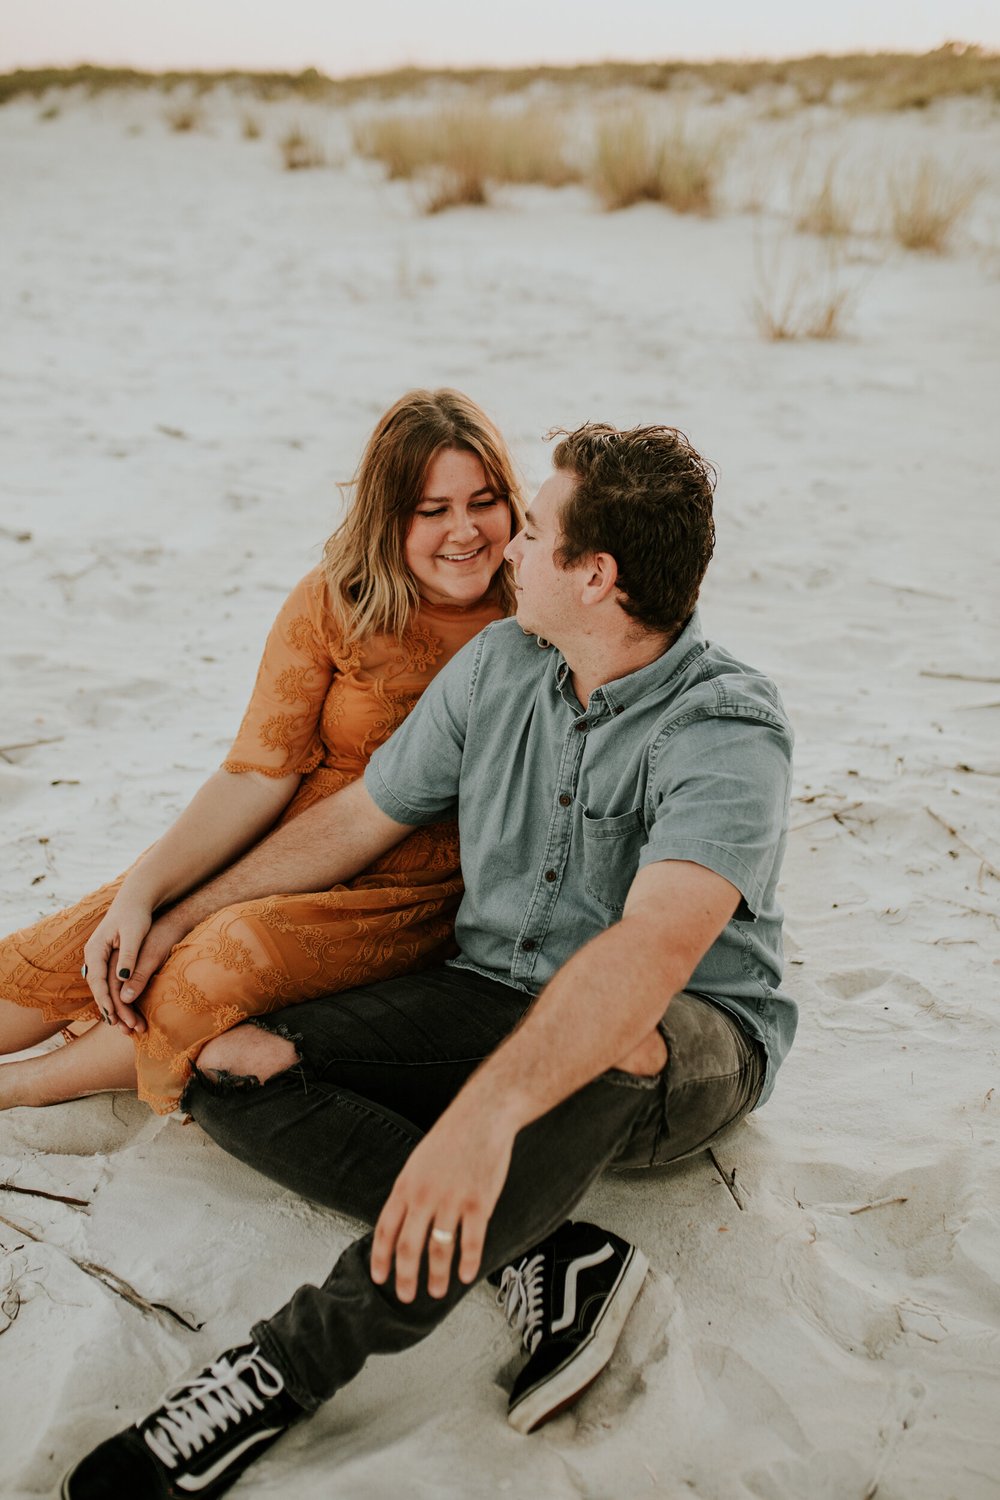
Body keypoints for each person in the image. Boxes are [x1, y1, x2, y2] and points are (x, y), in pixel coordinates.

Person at [64, 421, 796, 1499]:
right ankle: (547, 1254)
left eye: (532, 533)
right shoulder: (501, 663)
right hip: (486, 997)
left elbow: (646, 954)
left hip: (680, 1046)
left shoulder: (725, 725)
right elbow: (357, 818)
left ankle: (280, 1370)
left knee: (617, 1035)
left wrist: (484, 1118)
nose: (507, 548)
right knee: (217, 1061)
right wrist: (183, 913)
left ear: (594, 576)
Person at [0, 388, 523, 1115]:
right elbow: (257, 771)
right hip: (284, 837)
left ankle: (23, 1086)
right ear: (387, 516)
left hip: (413, 882)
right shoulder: (334, 599)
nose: (463, 531)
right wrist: (142, 889)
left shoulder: (536, 611)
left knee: (213, 958)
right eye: (431, 510)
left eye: (484, 501)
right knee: (99, 934)